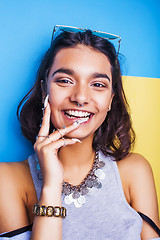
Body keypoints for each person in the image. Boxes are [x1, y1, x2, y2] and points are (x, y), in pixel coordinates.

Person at [0, 25, 159, 240]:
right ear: (45, 89)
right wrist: (51, 184)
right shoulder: (6, 179)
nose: (81, 97)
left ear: (111, 101)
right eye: (65, 80)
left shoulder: (135, 170)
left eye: (98, 84)